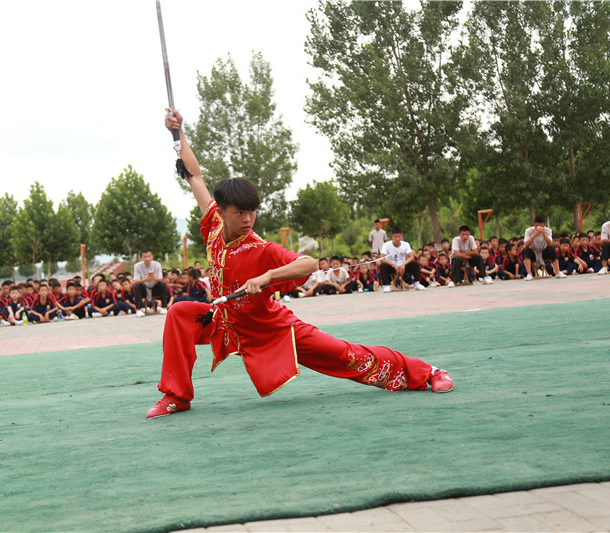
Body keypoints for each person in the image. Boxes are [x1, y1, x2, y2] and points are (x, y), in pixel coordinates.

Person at [146, 109, 454, 419]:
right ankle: (177, 396)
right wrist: (179, 132)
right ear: (223, 212)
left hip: (272, 329)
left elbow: (307, 264)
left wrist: (267, 276)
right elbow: (194, 175)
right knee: (180, 313)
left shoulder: (261, 248)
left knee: (343, 355)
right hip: (226, 321)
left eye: (252, 212)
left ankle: (426, 372)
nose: (248, 219)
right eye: (240, 213)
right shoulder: (213, 225)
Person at [521, 216, 566, 280]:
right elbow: (525, 245)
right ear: (534, 225)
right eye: (537, 225)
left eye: (541, 225)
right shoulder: (529, 231)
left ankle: (557, 272)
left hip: (543, 252)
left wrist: (544, 234)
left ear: (544, 225)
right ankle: (529, 274)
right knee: (525, 250)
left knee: (552, 249)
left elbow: (550, 243)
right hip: (533, 252)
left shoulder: (548, 231)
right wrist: (534, 235)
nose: (539, 227)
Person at [380, 228, 423, 292]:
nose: (397, 238)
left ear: (402, 236)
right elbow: (382, 258)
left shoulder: (405, 244)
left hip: (403, 267)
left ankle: (417, 283)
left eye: (399, 236)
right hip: (392, 267)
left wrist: (404, 264)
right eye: (395, 237)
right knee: (382, 265)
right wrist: (393, 264)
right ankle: (387, 285)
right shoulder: (386, 245)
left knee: (414, 263)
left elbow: (411, 257)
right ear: (392, 236)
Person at [133, 249, 170, 316]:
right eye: (145, 257)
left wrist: (154, 278)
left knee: (162, 285)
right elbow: (137, 280)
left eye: (149, 256)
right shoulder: (137, 266)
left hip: (155, 287)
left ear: (152, 256)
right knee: (137, 287)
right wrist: (145, 279)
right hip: (144, 287)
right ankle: (138, 309)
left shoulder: (157, 264)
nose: (147, 259)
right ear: (142, 258)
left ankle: (164, 307)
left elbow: (160, 278)